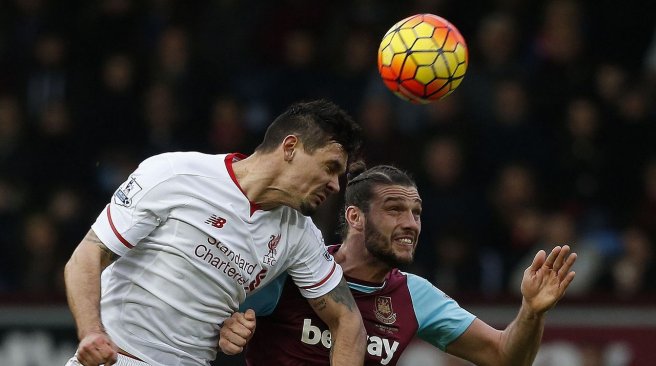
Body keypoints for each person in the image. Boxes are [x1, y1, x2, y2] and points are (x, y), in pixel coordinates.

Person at [63, 99, 367, 366]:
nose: (335, 186)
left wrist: (234, 327)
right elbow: (86, 256)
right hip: (118, 358)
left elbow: (349, 322)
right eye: (330, 167)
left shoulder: (300, 235)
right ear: (290, 147)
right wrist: (91, 332)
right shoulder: (175, 173)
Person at [219, 164, 577, 365]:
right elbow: (214, 309)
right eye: (395, 210)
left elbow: (504, 358)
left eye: (417, 213)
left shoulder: (414, 295)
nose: (411, 223)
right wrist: (228, 325)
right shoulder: (295, 269)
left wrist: (531, 311)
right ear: (355, 217)